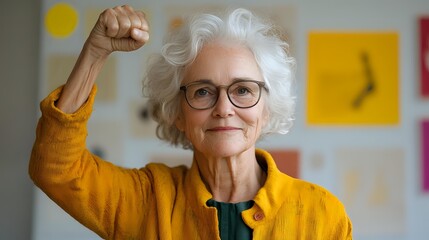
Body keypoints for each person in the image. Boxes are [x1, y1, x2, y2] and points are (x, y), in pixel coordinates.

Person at [29, 5, 353, 240]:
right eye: (202, 91)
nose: (224, 108)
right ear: (177, 113)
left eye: (242, 90)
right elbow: (57, 169)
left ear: (267, 109)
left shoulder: (321, 213)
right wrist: (96, 52)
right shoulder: (146, 200)